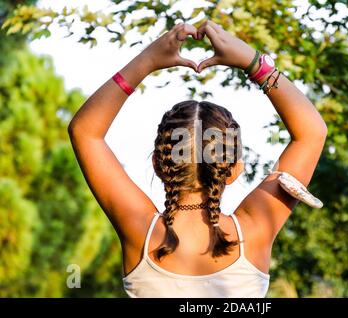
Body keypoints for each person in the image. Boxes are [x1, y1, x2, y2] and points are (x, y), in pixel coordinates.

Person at [68, 20, 328, 298]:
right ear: (234, 169)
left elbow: (85, 132)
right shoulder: (255, 229)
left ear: (159, 164)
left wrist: (147, 60)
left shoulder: (140, 231)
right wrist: (255, 64)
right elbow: (312, 133)